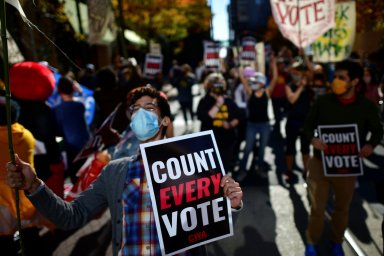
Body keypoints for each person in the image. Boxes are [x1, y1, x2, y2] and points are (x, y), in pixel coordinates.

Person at [6, 86, 243, 256]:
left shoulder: (192, 163)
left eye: (149, 107)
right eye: (135, 109)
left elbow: (214, 220)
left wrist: (231, 204)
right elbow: (71, 216)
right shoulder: (115, 171)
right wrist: (34, 185)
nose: (140, 113)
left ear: (165, 121)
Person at [303, 60, 383, 256]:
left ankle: (336, 242)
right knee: (317, 208)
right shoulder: (323, 102)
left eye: (342, 78)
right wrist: (313, 139)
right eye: (335, 77)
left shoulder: (366, 106)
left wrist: (369, 146)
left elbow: (377, 131)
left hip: (347, 167)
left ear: (355, 82)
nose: (336, 81)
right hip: (320, 163)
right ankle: (312, 243)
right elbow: (306, 127)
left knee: (341, 209)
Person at [0, 96, 49, 255]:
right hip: (26, 196)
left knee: (6, 242)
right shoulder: (25, 134)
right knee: (31, 235)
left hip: (3, 202)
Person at [237, 54, 278, 180]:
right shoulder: (250, 91)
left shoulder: (267, 92)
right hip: (252, 125)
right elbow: (241, 77)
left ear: (261, 82)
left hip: (265, 125)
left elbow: (275, 77)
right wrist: (241, 61)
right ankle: (242, 171)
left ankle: (260, 168)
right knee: (248, 149)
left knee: (261, 150)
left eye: (256, 81)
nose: (253, 82)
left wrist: (273, 64)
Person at [196, 72, 240, 175]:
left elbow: (238, 117)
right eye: (218, 83)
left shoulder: (228, 100)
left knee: (223, 170)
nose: (222, 85)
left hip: (227, 142)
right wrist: (218, 105)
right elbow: (204, 117)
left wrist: (230, 124)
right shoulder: (204, 101)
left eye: (222, 83)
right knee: (210, 171)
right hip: (209, 143)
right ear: (211, 85)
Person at [53, 76, 91, 183]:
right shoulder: (80, 105)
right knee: (88, 178)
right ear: (73, 88)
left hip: (71, 149)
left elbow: (59, 132)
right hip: (85, 146)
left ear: (59, 90)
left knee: (76, 180)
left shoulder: (57, 110)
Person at [284, 58, 314, 184]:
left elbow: (312, 70)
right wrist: (301, 87)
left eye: (299, 72)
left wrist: (304, 56)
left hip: (306, 122)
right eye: (294, 72)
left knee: (305, 149)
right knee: (290, 149)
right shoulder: (289, 86)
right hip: (292, 122)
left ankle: (306, 170)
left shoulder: (309, 85)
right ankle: (289, 171)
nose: (296, 74)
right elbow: (292, 99)